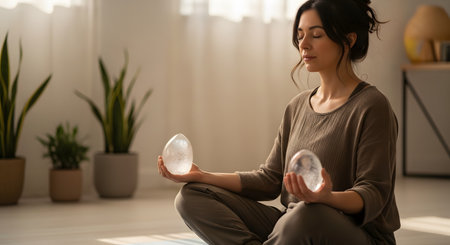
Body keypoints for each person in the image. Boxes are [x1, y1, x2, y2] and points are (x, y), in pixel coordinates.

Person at [157, 0, 400, 244]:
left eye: (316, 35)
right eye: (300, 35)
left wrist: (326, 197)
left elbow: (373, 193)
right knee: (191, 196)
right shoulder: (297, 106)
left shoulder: (372, 106)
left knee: (306, 214)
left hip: (353, 234)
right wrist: (203, 176)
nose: (303, 45)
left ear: (348, 40)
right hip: (293, 227)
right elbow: (269, 180)